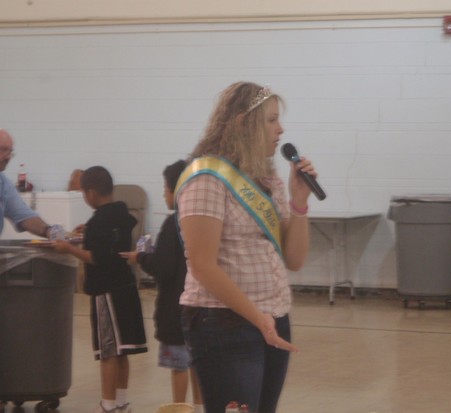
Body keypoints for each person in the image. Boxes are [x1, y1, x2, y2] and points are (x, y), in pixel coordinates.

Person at [176, 82, 317, 412]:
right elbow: (202, 265)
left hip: (273, 317)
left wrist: (299, 202)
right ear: (242, 123)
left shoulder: (267, 178)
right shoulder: (206, 178)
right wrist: (258, 318)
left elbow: (295, 259)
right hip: (223, 323)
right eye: (270, 120)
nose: (280, 130)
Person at [52, 166, 148, 413]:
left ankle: (107, 405)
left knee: (107, 352)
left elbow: (97, 257)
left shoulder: (98, 222)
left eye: (84, 192)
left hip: (107, 292)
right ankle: (121, 402)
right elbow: (110, 244)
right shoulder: (120, 214)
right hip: (126, 287)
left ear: (92, 193)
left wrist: (69, 248)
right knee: (122, 349)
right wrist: (90, 233)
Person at [120, 160, 203, 412]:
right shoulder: (201, 218)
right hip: (202, 306)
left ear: (176, 190)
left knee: (179, 366)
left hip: (177, 309)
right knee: (197, 363)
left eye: (165, 188)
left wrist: (141, 258)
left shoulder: (173, 223)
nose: (163, 193)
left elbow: (164, 267)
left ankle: (179, 408)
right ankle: (200, 408)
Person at [0, 129, 54, 238]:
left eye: (10, 152)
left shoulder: (4, 184)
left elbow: (25, 217)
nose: (8, 157)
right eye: (4, 150)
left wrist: (51, 232)